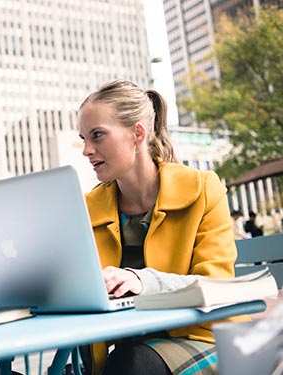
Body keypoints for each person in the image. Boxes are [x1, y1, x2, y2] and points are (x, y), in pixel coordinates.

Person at [77, 80, 245, 375]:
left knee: (131, 363)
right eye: (84, 139)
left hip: (204, 340)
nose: (87, 150)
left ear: (137, 134)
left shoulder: (204, 189)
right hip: (124, 353)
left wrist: (142, 282)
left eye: (98, 136)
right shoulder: (88, 207)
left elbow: (216, 285)